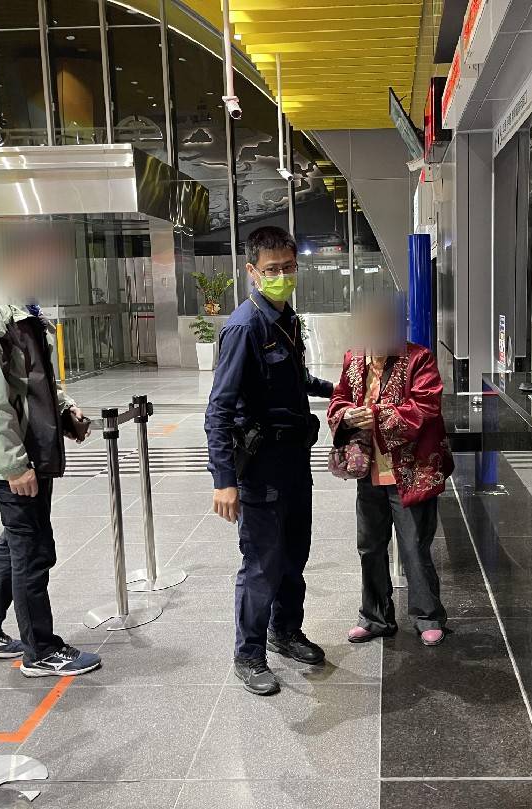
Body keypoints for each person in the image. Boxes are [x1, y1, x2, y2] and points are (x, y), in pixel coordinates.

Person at [0, 220, 101, 678]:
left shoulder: (25, 308)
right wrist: (14, 465)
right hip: (16, 459)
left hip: (35, 450)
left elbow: (36, 381)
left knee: (17, 542)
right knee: (33, 550)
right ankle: (41, 650)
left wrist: (66, 411)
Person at [205, 226, 334, 697]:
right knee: (262, 564)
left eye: (289, 267)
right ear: (252, 272)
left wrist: (339, 389)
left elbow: (298, 379)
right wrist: (224, 480)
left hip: (294, 462)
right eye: (272, 269)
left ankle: (285, 631)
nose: (282, 276)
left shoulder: (286, 319)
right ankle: (248, 654)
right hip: (259, 468)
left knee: (295, 556)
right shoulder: (244, 327)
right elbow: (218, 409)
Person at [327, 293, 453, 646]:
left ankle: (428, 615)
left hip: (410, 473)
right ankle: (375, 616)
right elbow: (338, 399)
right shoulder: (354, 359)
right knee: (370, 546)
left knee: (414, 546)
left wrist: (377, 416)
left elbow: (426, 407)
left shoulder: (419, 359)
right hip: (368, 471)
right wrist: (347, 414)